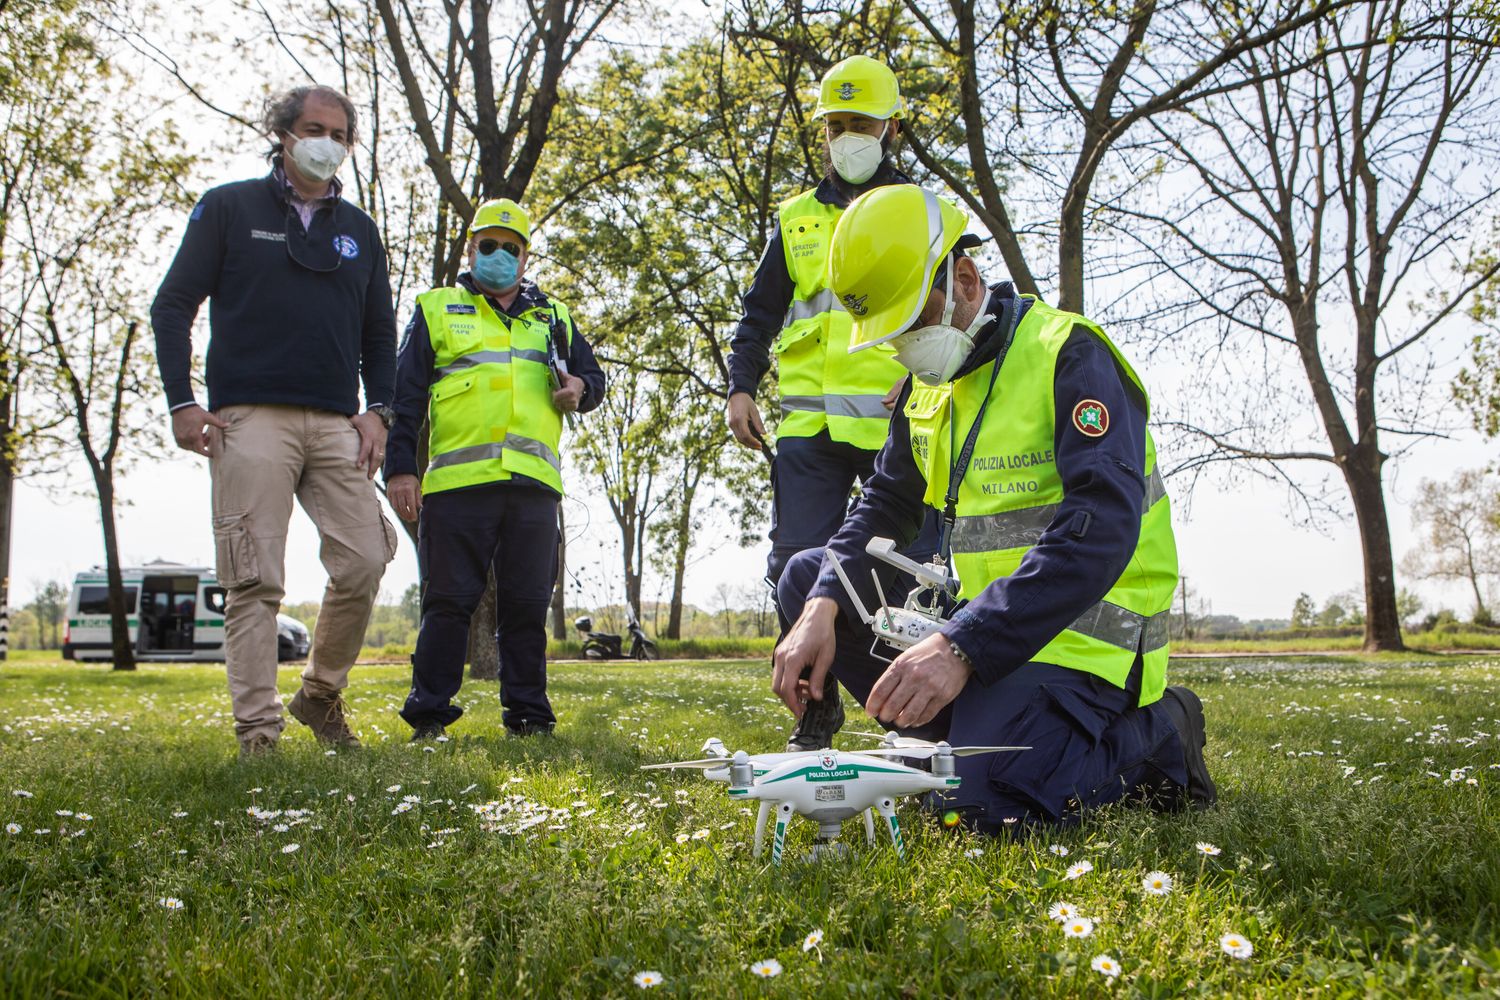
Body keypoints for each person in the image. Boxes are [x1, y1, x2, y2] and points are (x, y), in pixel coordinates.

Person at [772, 185, 1216, 833]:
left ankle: (1160, 735)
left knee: (983, 807)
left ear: (965, 278)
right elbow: (879, 511)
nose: (905, 347)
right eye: (891, 335)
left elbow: (1102, 525)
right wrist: (818, 610)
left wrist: (960, 647)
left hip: (1088, 644)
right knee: (812, 576)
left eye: (912, 323)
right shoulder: (930, 388)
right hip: (991, 633)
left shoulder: (1070, 354)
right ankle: (955, 732)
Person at [151, 84, 399, 758]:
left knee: (366, 558)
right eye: (314, 128)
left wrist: (379, 412)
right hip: (248, 417)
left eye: (341, 134)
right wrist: (183, 401)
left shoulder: (360, 232)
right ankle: (258, 736)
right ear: (284, 134)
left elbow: (380, 333)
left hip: (334, 421)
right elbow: (172, 305)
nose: (328, 143)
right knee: (255, 578)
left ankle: (318, 696)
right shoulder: (228, 207)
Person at [725, 54, 938, 752]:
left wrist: (928, 378)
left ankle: (917, 704)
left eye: (861, 124)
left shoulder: (925, 212)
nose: (847, 137)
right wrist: (740, 387)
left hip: (893, 425)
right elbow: (759, 316)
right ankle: (814, 715)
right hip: (810, 427)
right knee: (798, 568)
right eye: (835, 125)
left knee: (903, 566)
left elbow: (955, 309)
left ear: (892, 128)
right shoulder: (794, 221)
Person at [384, 198, 605, 741]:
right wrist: (400, 470)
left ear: (526, 257)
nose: (500, 256)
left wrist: (580, 387)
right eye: (489, 245)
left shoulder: (553, 315)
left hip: (533, 487)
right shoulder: (436, 308)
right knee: (448, 603)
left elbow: (593, 380)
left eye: (512, 248)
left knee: (527, 607)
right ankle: (429, 716)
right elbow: (405, 397)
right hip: (458, 486)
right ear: (471, 249)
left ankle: (529, 717)